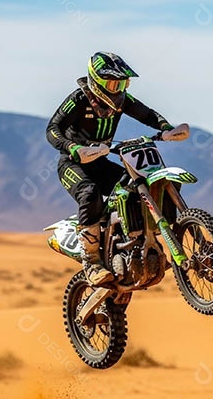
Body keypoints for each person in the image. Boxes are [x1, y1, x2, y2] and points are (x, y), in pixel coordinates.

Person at [47, 51, 189, 285]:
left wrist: (166, 128)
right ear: (95, 81)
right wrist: (72, 148)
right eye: (112, 82)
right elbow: (52, 129)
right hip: (74, 163)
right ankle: (91, 261)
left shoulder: (123, 101)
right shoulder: (78, 100)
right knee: (90, 193)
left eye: (122, 83)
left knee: (135, 186)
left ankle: (141, 244)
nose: (117, 88)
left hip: (101, 161)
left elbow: (147, 114)